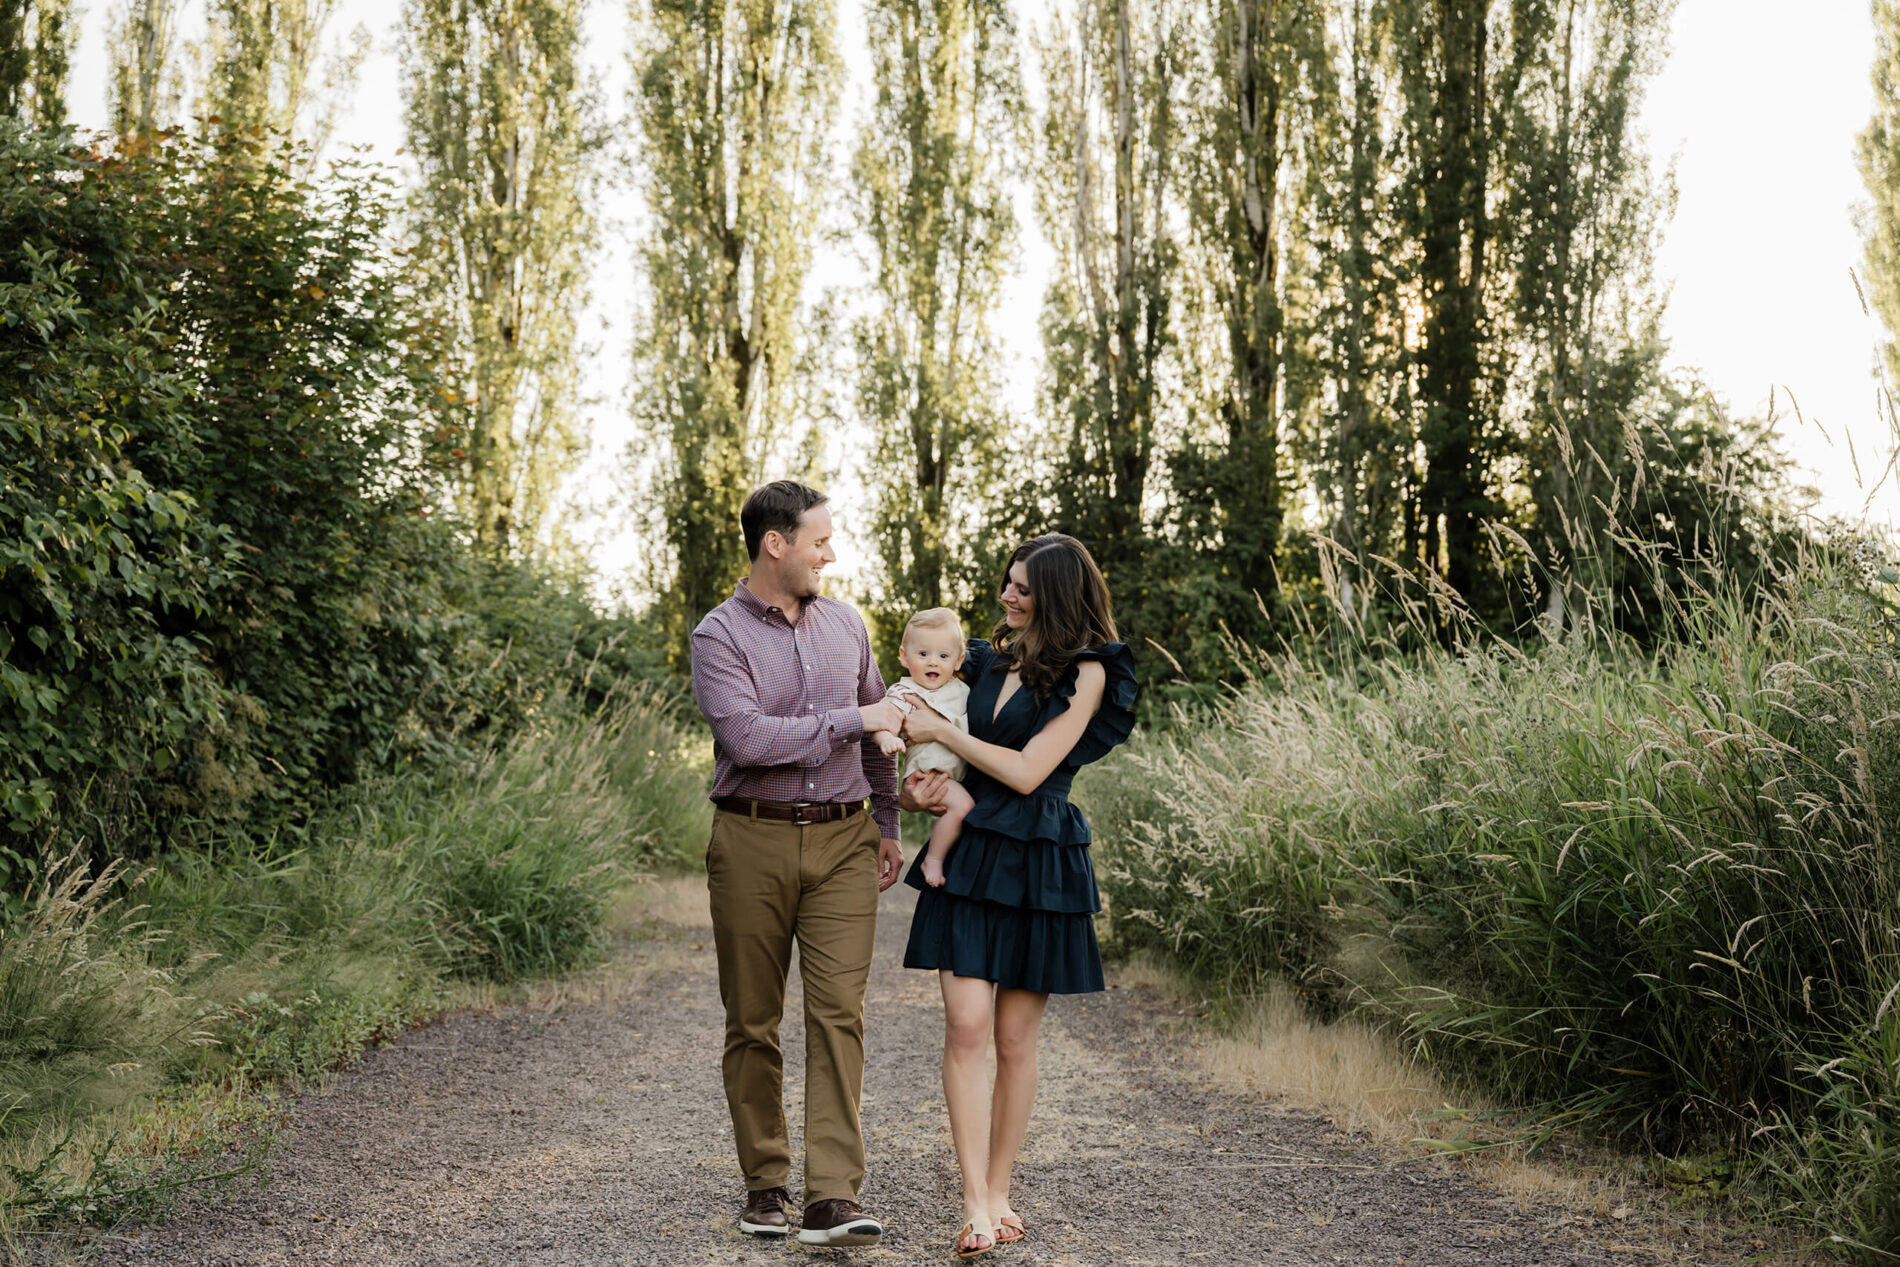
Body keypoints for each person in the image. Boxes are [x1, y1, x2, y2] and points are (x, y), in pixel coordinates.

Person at [896, 533, 1139, 1258]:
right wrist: (920, 789)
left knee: (1013, 1038)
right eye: (1008, 581)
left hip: (1041, 856)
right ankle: (972, 1201)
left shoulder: (1090, 670)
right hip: (970, 849)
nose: (1008, 595)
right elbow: (931, 753)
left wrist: (942, 729)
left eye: (1025, 588)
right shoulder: (978, 658)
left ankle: (1000, 1190)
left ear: (1059, 595)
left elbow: (1031, 771)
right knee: (967, 1025)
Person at [688, 480, 908, 1248]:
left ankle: (833, 1196)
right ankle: (766, 1183)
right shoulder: (718, 636)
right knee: (752, 1017)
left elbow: (883, 727)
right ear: (774, 543)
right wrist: (858, 719)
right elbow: (749, 739)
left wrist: (886, 820)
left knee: (839, 1013)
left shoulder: (847, 624)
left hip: (847, 839)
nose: (831, 552)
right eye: (820, 540)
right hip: (751, 839)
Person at [876, 608, 975, 889]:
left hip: (951, 772)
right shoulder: (905, 691)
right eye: (923, 655)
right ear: (904, 656)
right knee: (964, 806)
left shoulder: (961, 689)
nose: (933, 662)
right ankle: (933, 858)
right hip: (926, 773)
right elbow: (885, 718)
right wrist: (886, 737)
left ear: (958, 661)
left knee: (964, 806)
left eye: (943, 656)